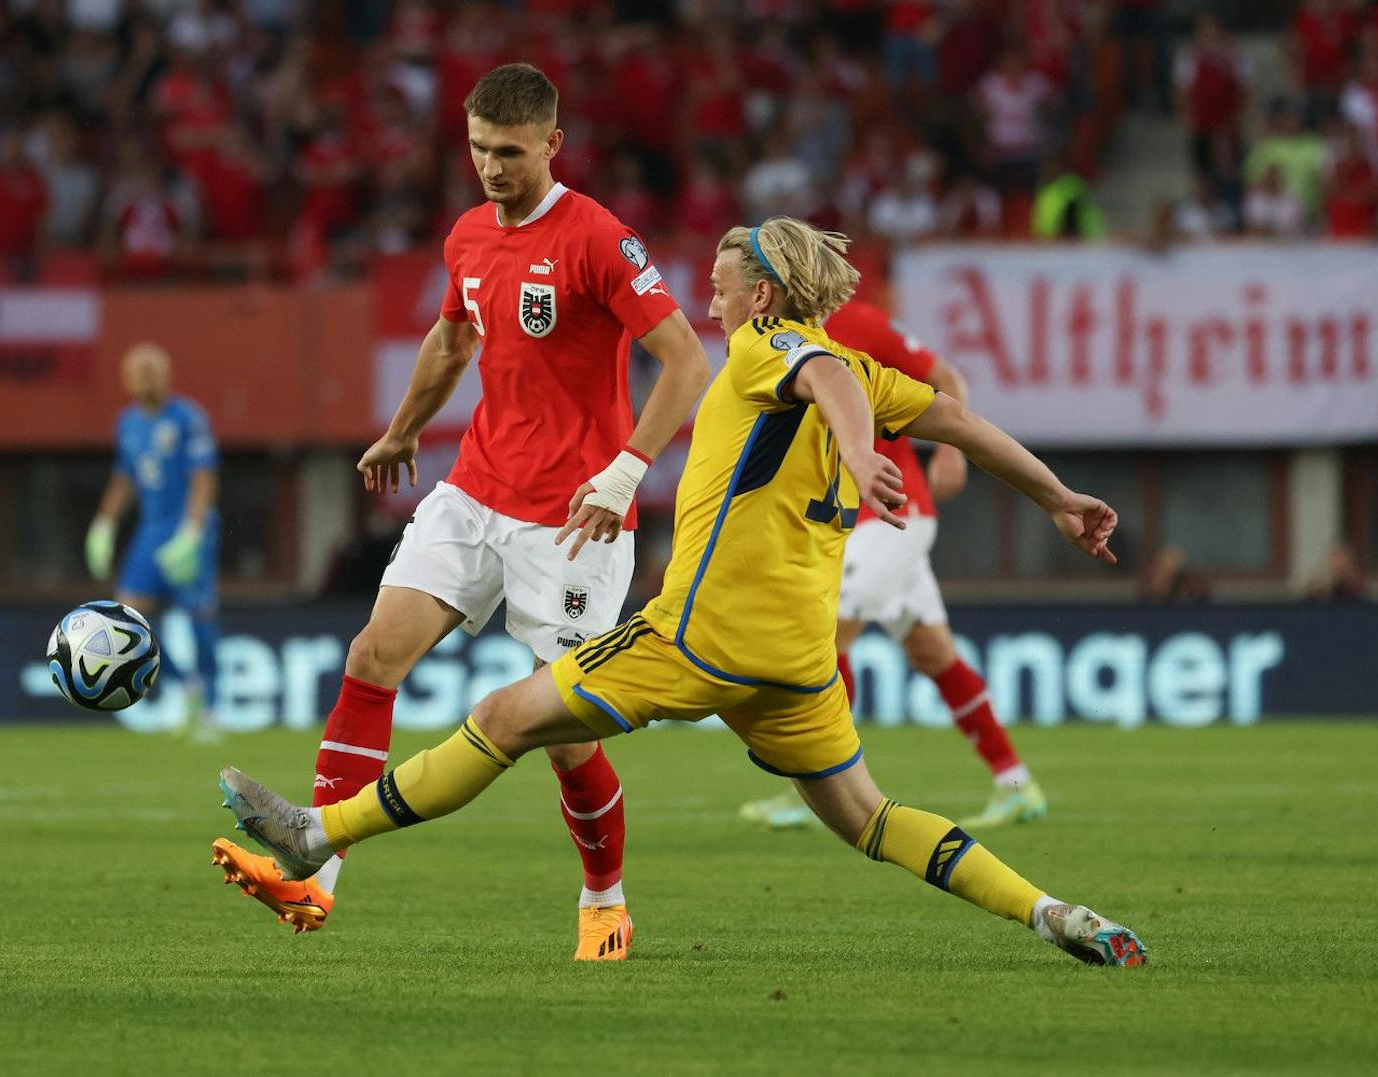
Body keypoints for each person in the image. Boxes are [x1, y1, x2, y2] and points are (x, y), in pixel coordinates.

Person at [216, 216, 1147, 969]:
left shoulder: (767, 349)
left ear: (766, 295)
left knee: (503, 717)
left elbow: (821, 376)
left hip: (697, 640)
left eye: (724, 278)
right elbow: (961, 422)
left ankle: (316, 833)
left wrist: (861, 454)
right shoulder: (861, 373)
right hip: (795, 665)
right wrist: (1058, 497)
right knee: (870, 816)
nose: (709, 290)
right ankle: (1052, 911)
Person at [209, 64, 711, 958]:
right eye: (479, 149)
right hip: (474, 490)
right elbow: (452, 336)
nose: (491, 167)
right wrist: (403, 430)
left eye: (510, 152)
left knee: (563, 737)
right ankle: (313, 876)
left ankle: (605, 896)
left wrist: (628, 473)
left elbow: (685, 362)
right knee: (373, 653)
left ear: (552, 145)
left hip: (574, 518)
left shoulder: (599, 237)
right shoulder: (469, 235)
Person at [740, 299, 1046, 832]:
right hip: (851, 517)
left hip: (892, 513)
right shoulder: (769, 338)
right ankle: (1017, 784)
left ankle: (819, 790)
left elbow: (945, 376)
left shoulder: (859, 323)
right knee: (934, 655)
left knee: (825, 634)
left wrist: (951, 450)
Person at [85, 343, 222, 740]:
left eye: (152, 369)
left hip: (189, 528)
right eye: (138, 370)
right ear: (126, 379)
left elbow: (203, 477)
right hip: (152, 529)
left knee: (200, 616)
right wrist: (104, 524)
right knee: (131, 617)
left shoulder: (187, 418)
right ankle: (186, 683)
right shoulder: (127, 423)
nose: (146, 376)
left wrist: (193, 531)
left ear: (167, 375)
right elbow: (124, 478)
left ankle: (213, 708)